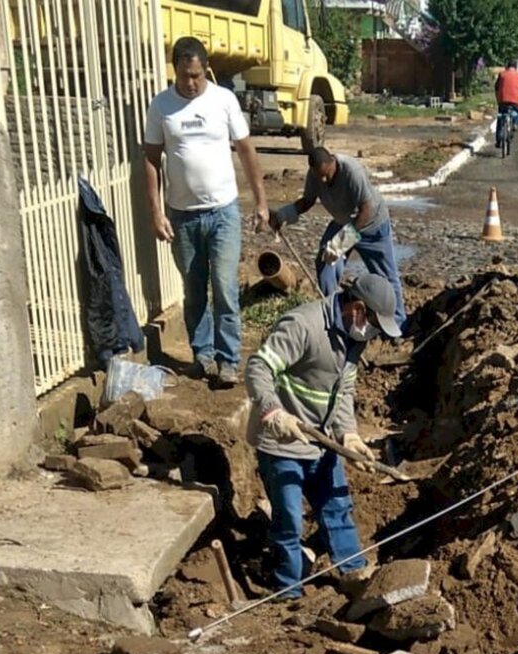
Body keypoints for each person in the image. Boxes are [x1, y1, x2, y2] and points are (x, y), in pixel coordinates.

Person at [245, 273, 401, 599]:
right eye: (374, 323)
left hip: (321, 439)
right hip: (282, 441)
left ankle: (355, 576)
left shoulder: (355, 339)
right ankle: (289, 591)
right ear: (358, 309)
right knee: (289, 521)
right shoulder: (303, 324)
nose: (373, 333)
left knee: (337, 507)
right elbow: (259, 367)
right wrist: (273, 412)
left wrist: (349, 435)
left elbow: (343, 391)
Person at [143, 36, 270, 388]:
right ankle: (202, 355)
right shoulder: (161, 107)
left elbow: (247, 152)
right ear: (175, 71)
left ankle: (228, 360)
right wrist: (156, 212)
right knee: (194, 288)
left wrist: (261, 202)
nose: (191, 83)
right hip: (182, 216)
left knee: (225, 287)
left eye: (197, 75)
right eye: (185, 76)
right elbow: (151, 161)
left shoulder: (223, 100)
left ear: (205, 69)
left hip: (223, 212)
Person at [270, 148, 407, 334]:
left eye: (326, 176)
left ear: (333, 162)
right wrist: (282, 215)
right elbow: (307, 201)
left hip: (372, 224)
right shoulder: (315, 175)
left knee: (386, 276)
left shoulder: (352, 171)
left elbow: (366, 210)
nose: (324, 181)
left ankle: (398, 324)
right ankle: (334, 315)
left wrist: (341, 243)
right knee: (325, 263)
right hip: (343, 222)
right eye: (320, 177)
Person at [494, 61, 518, 144]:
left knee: (500, 117)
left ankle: (498, 140)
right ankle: (514, 123)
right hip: (516, 103)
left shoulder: (502, 74)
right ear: (516, 67)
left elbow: (496, 87)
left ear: (507, 67)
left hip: (503, 101)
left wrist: (498, 98)